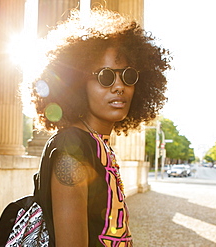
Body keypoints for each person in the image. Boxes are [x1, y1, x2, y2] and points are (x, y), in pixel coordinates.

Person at [30, 7, 171, 246]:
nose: (119, 86)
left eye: (128, 76)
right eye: (105, 76)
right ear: (77, 84)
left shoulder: (97, 143)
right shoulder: (71, 147)